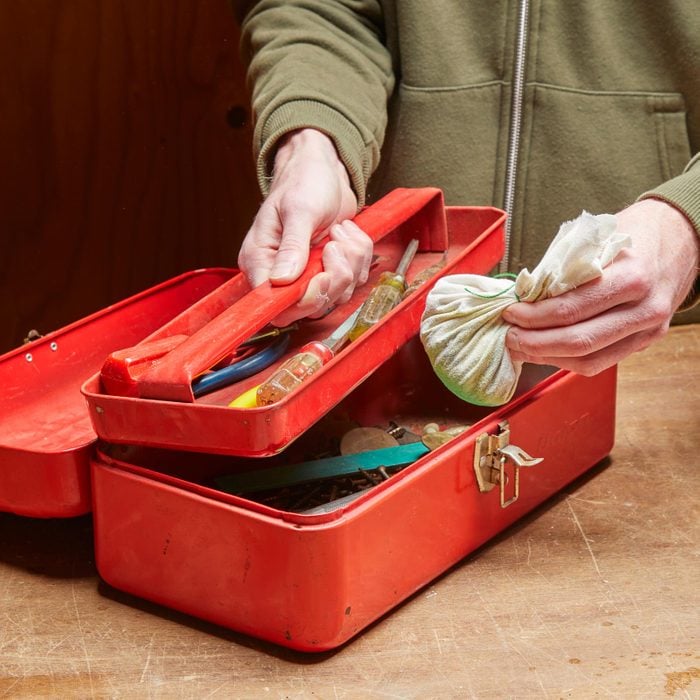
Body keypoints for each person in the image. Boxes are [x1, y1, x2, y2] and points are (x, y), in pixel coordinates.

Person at [236, 1, 699, 377]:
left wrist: (687, 221)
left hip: (648, 348)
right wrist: (315, 142)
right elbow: (320, 10)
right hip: (385, 344)